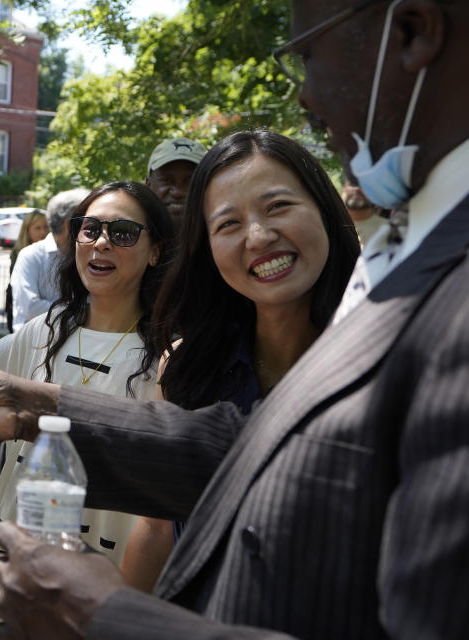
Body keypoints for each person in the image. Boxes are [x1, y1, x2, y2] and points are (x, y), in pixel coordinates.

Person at [0, 1, 469, 637]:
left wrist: (104, 613)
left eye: (306, 53)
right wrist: (28, 408)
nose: (303, 94)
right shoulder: (416, 244)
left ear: (415, 29)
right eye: (225, 223)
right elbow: (269, 452)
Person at [0, 181, 173, 639]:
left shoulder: (167, 354)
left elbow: (159, 510)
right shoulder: (47, 328)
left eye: (124, 232)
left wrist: (126, 611)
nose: (102, 241)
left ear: (153, 252)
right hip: (14, 555)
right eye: (90, 229)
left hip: (99, 581)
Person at [120, 129, 359, 592]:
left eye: (278, 207)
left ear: (326, 212)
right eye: (228, 224)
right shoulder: (187, 366)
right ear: (206, 248)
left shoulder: (386, 360)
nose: (258, 236)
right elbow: (156, 527)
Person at [9, 189, 88, 330]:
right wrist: (81, 311)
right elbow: (30, 307)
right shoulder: (31, 255)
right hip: (33, 349)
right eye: (86, 222)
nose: (92, 229)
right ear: (69, 225)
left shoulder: (83, 256)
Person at [4, 209, 48, 331]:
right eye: (37, 228)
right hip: (20, 311)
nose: (43, 232)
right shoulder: (20, 253)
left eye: (46, 227)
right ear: (27, 230)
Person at [145, 137, 207, 221]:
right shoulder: (129, 230)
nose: (178, 192)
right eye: (166, 180)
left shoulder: (226, 232)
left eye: (191, 182)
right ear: (148, 185)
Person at [342, 181, 384, 246]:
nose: (357, 189)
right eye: (352, 184)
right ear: (344, 189)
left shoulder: (390, 229)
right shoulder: (330, 226)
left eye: (364, 185)